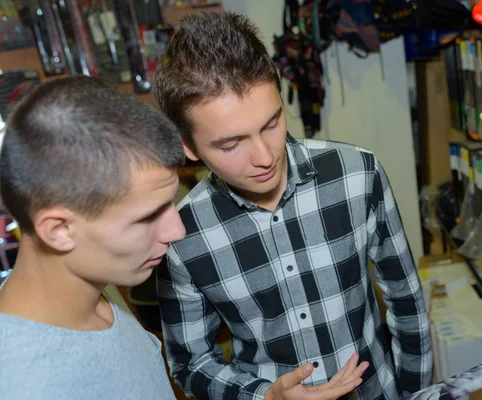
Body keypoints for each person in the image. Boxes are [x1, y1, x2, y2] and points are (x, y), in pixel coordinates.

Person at [153, 11, 433, 400]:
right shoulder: (180, 235)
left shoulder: (357, 174)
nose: (265, 156)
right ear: (188, 147)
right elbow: (190, 365)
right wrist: (265, 397)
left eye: (271, 123)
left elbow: (406, 302)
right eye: (232, 144)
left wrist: (414, 393)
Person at [0, 76, 186, 399]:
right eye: (147, 217)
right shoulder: (24, 384)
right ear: (59, 230)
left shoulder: (95, 282)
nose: (177, 230)